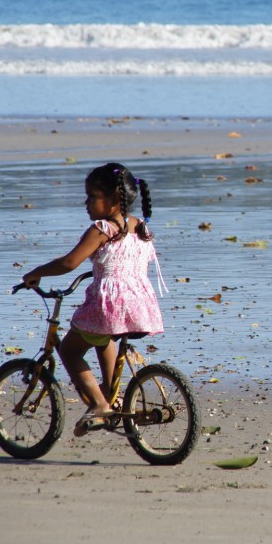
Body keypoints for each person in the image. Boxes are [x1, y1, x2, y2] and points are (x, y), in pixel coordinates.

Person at [22, 162, 167, 437]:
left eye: (91, 196)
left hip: (110, 304)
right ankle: (112, 400)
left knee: (69, 351)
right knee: (104, 339)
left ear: (113, 199)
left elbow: (69, 262)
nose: (85, 202)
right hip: (140, 303)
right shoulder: (140, 228)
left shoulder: (102, 229)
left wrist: (35, 273)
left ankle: (100, 405)